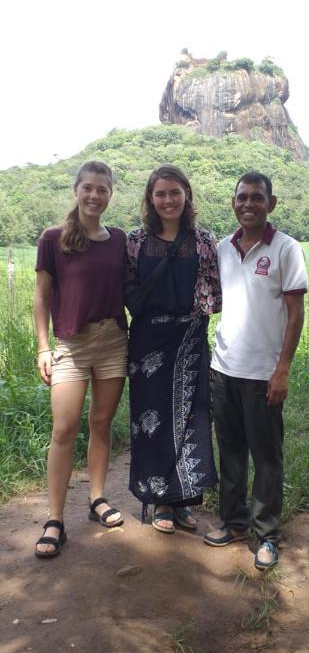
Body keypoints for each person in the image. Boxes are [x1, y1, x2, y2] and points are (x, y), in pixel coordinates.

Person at [205, 172, 308, 570]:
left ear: (271, 203)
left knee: (266, 457)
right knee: (230, 451)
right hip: (223, 368)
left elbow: (296, 315)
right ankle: (233, 521)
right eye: (242, 197)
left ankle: (266, 534)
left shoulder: (286, 249)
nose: (249, 204)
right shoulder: (221, 249)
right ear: (233, 202)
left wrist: (282, 370)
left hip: (264, 373)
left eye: (257, 198)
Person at [34, 160, 128, 558]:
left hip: (113, 341)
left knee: (101, 422)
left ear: (110, 195)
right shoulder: (53, 238)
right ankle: (54, 518)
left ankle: (96, 498)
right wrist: (42, 347)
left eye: (102, 189)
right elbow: (40, 298)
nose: (95, 195)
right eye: (88, 188)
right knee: (63, 429)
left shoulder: (120, 239)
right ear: (77, 190)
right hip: (71, 344)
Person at [125, 165, 221, 533]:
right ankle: (160, 500)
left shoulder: (204, 241)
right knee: (151, 424)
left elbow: (214, 290)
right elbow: (126, 288)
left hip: (190, 340)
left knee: (191, 418)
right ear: (151, 199)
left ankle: (184, 500)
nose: (168, 200)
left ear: (187, 195)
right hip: (148, 342)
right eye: (160, 194)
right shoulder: (134, 241)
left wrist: (194, 320)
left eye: (174, 192)